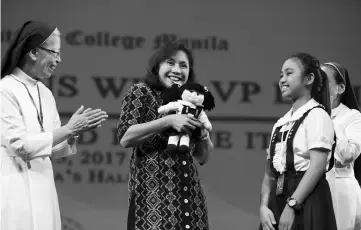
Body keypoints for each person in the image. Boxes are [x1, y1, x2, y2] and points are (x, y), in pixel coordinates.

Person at [0, 21, 108, 230]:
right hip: (13, 187)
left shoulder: (46, 93)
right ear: (33, 52)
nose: (59, 59)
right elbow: (19, 146)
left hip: (43, 187)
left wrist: (74, 133)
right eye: (54, 52)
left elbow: (56, 151)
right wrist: (68, 129)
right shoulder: (5, 89)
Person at [117, 40, 213, 230]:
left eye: (183, 65)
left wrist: (203, 135)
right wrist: (168, 121)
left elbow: (203, 157)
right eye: (170, 63)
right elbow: (126, 137)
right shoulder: (141, 91)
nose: (177, 70)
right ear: (157, 67)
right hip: (153, 202)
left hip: (189, 200)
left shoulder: (189, 103)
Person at [259, 53, 337, 230]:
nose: (282, 80)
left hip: (307, 201)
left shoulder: (317, 115)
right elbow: (269, 174)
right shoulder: (280, 123)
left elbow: (317, 166)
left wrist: (293, 205)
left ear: (309, 78)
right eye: (281, 75)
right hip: (279, 201)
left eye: (289, 73)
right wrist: (264, 206)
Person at [321, 62, 361, 230]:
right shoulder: (309, 115)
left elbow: (348, 155)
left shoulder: (352, 116)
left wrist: (327, 120)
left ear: (341, 87)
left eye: (324, 81)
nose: (319, 87)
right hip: (311, 189)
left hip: (340, 189)